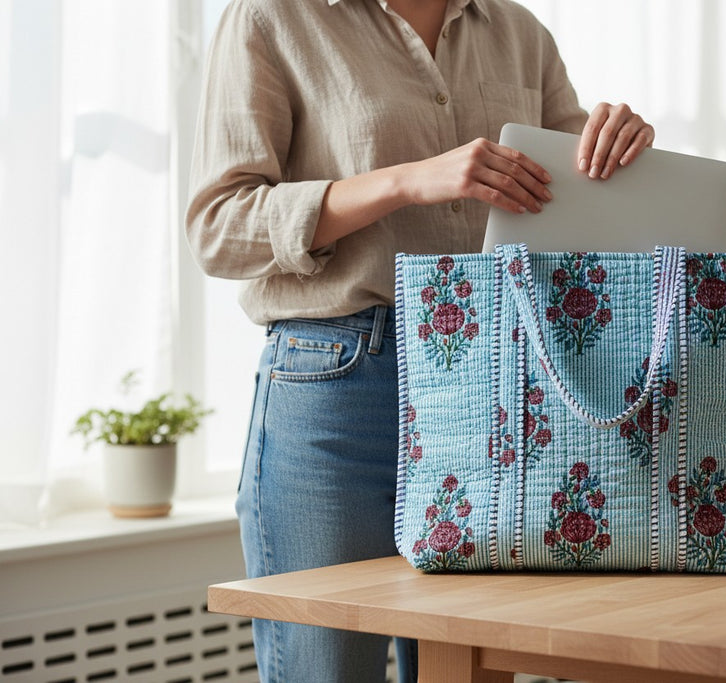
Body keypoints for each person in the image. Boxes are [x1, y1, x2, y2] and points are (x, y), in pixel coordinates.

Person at [186, 0, 654, 681]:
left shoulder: (520, 33)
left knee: (463, 664)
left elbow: (582, 210)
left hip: (490, 385)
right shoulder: (272, 18)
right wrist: (406, 180)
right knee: (326, 667)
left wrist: (624, 149)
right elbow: (218, 226)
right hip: (338, 387)